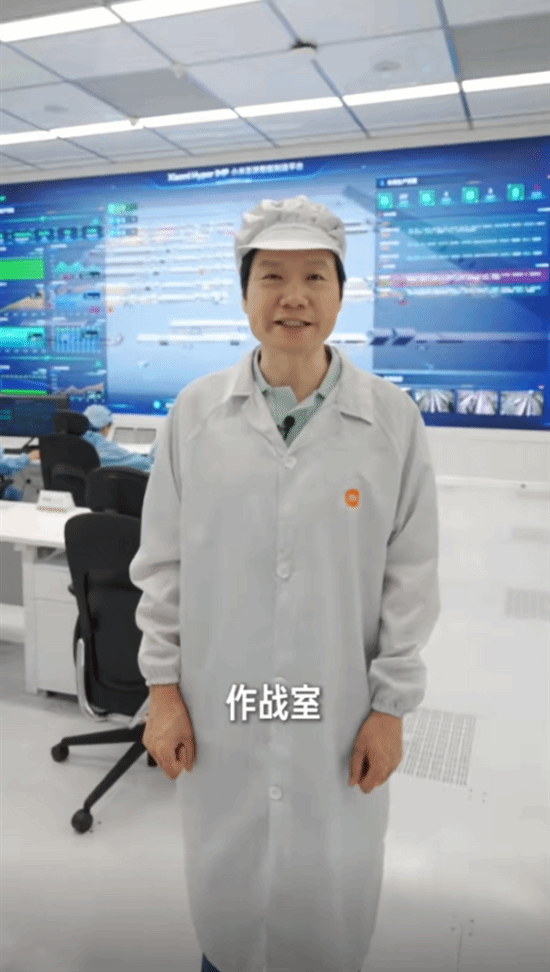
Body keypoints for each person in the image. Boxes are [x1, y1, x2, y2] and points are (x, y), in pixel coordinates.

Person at [128, 195, 441, 972]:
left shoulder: (393, 421)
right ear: (245, 293)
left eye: (313, 277)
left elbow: (410, 577)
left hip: (337, 710)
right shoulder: (195, 415)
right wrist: (163, 690)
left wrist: (390, 707)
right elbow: (162, 565)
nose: (292, 297)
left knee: (323, 917)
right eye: (271, 276)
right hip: (223, 705)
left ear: (340, 293)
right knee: (230, 920)